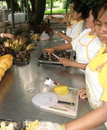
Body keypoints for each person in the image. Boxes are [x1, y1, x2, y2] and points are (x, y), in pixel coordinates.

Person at [40, 1, 107, 129]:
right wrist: (92, 90)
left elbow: (105, 112)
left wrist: (64, 128)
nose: (102, 30)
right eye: (99, 23)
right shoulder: (102, 48)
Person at [43, 5, 101, 70]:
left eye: (89, 17)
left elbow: (95, 68)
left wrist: (71, 63)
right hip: (78, 71)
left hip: (87, 75)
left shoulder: (100, 42)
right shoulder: (86, 32)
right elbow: (73, 44)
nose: (86, 19)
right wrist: (54, 48)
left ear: (98, 21)